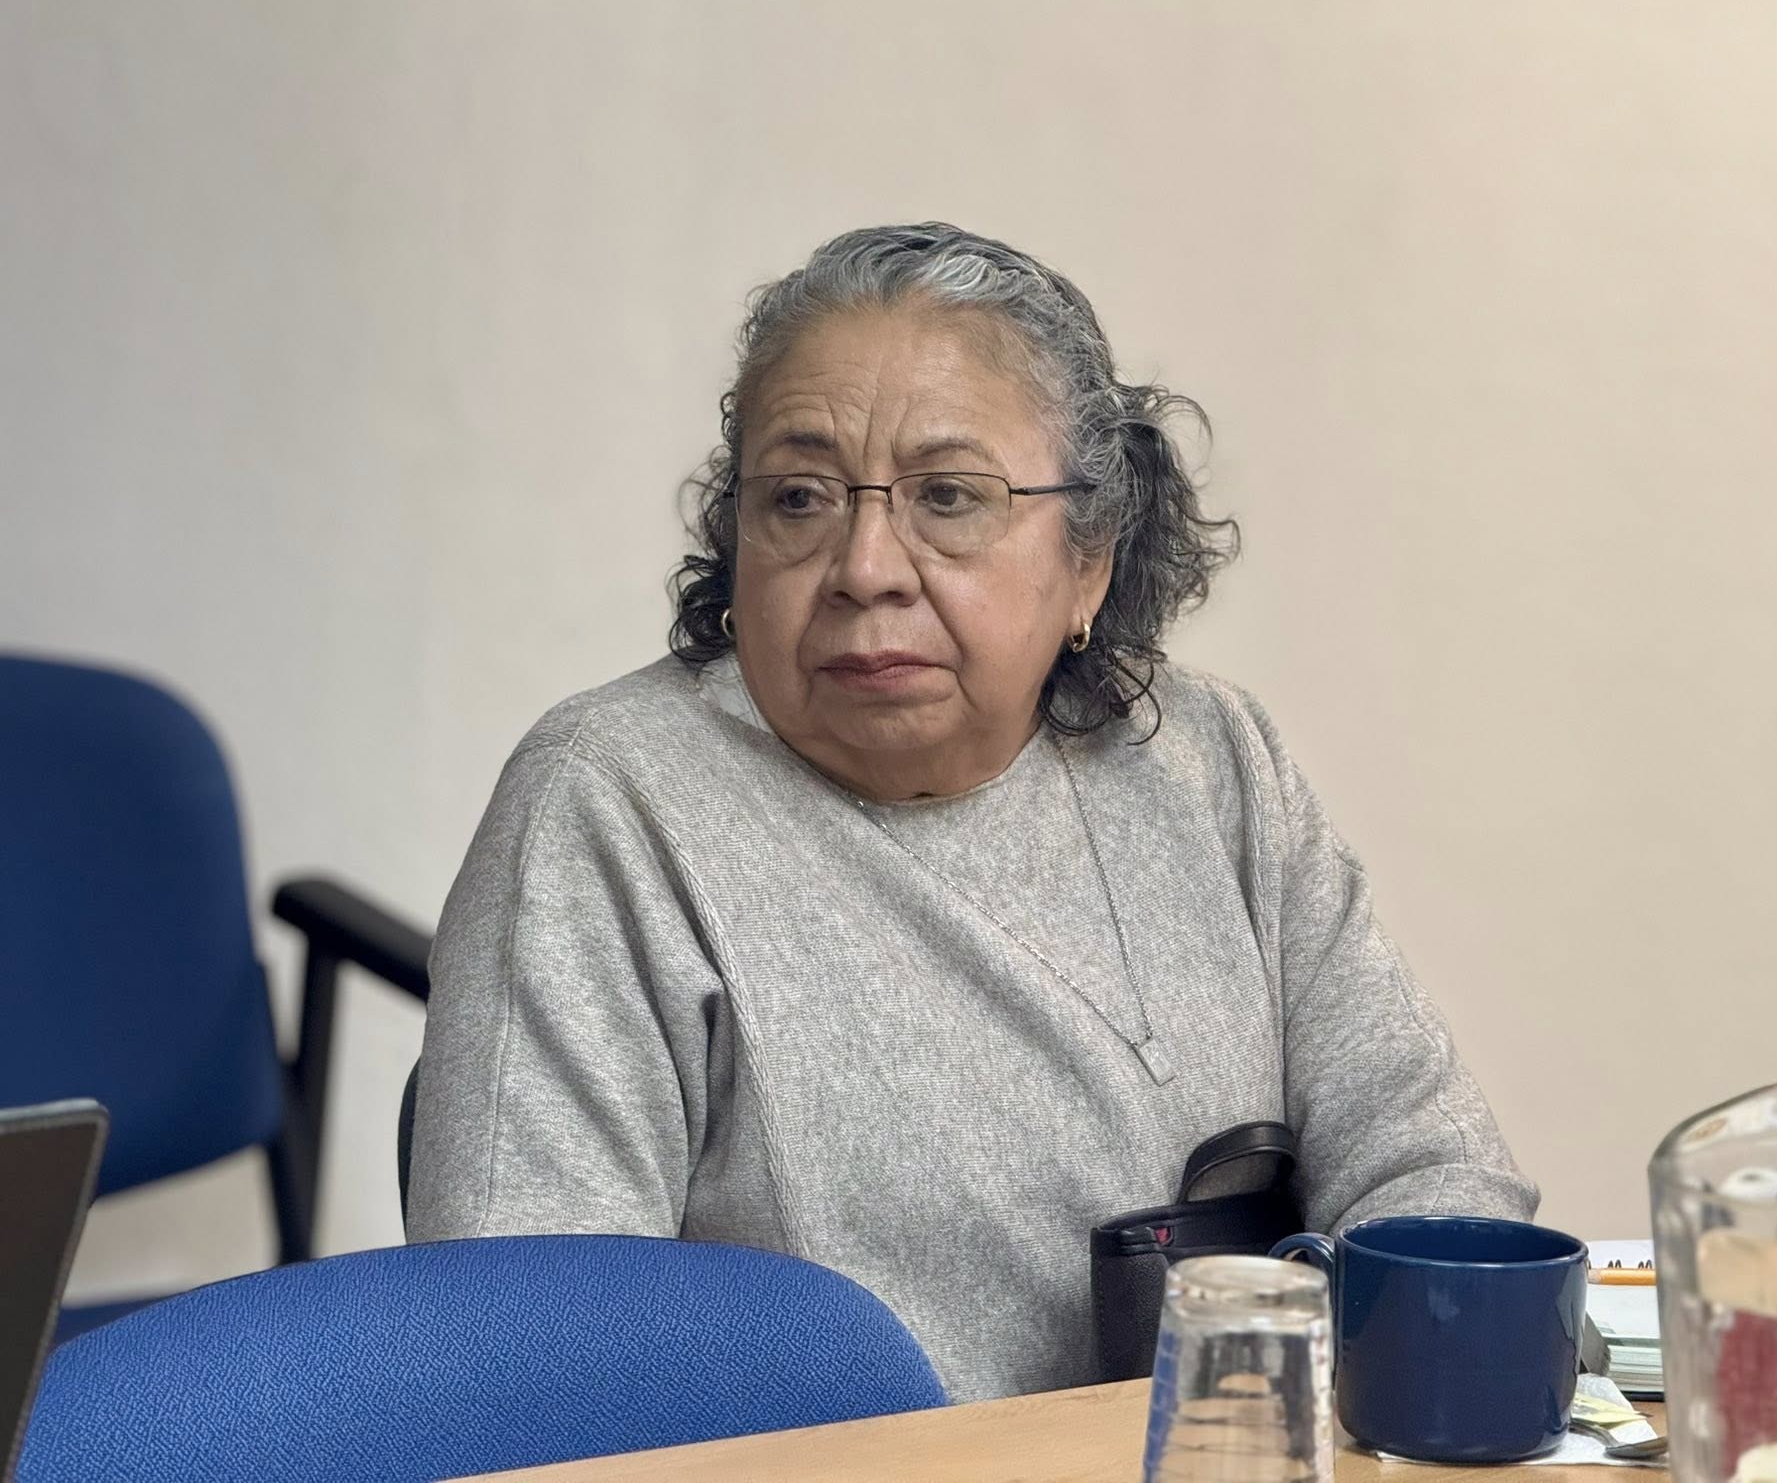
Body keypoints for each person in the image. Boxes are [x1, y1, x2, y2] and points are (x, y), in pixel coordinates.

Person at [409, 222, 1536, 1402]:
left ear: (1089, 560)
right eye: (798, 498)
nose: (865, 566)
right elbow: (530, 1371)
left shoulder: (1210, 762)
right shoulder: (609, 801)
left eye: (947, 497)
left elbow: (1433, 1171)